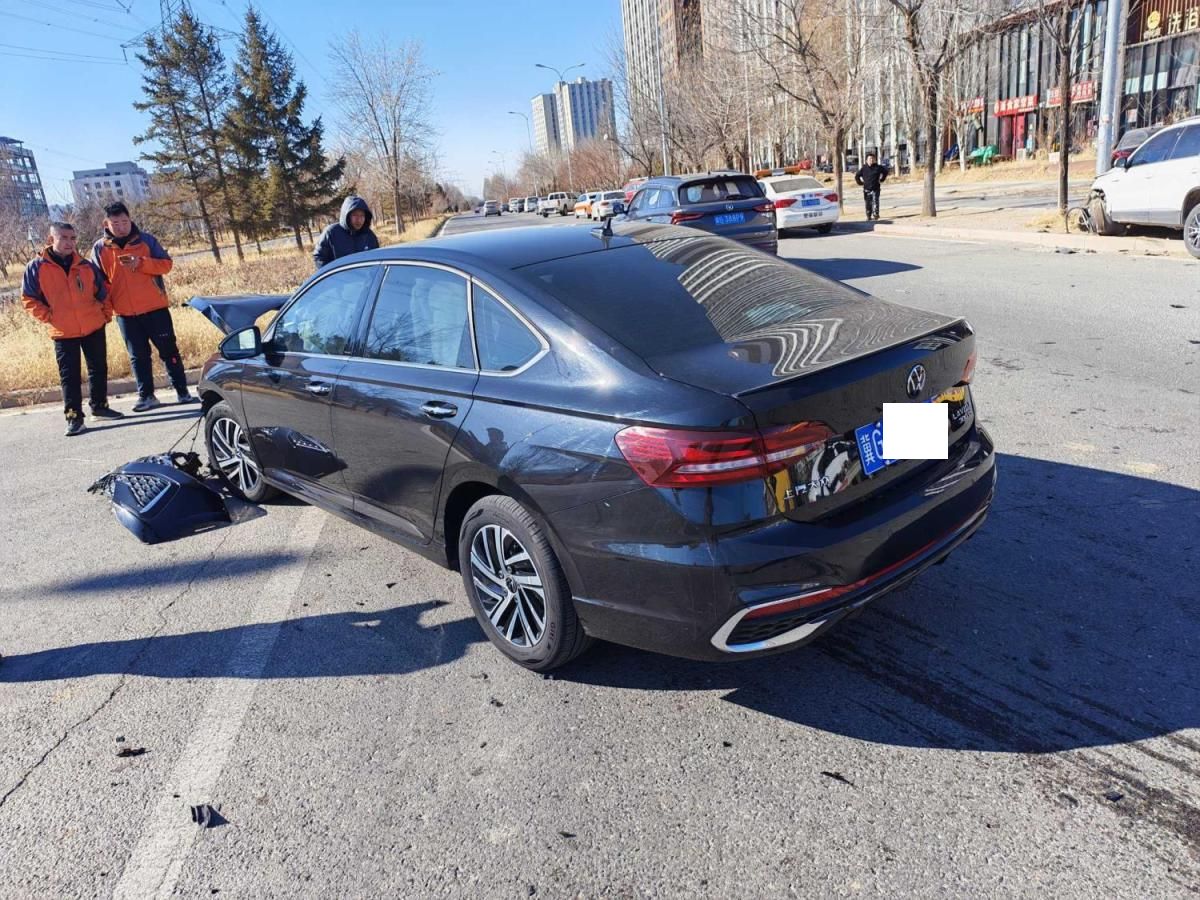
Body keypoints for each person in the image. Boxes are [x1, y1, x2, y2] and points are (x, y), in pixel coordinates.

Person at [90, 202, 196, 411]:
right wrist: (107, 308)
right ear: (106, 224)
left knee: (169, 351)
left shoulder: (146, 240)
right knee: (138, 357)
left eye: (125, 222)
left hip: (155, 308)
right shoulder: (100, 248)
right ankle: (146, 396)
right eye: (115, 223)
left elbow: (166, 265)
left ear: (130, 220)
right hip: (125, 313)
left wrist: (141, 263)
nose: (121, 227)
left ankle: (182, 391)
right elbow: (98, 282)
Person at [21, 222, 123, 436]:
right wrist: (49, 316)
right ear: (51, 240)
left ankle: (99, 407)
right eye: (64, 238)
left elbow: (102, 292)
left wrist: (105, 314)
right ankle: (74, 417)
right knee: (69, 376)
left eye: (73, 238)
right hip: (63, 331)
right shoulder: (36, 267)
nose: (69, 242)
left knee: (98, 368)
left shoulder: (85, 266)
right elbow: (29, 299)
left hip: (93, 325)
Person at [314, 195, 379, 269]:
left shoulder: (369, 235)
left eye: (362, 215)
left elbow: (376, 259)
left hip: (365, 276)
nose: (359, 219)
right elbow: (319, 257)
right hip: (340, 276)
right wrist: (333, 274)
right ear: (347, 215)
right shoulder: (331, 233)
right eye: (355, 215)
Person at [854, 153, 889, 221]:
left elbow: (885, 172)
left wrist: (882, 179)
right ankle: (868, 215)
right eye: (870, 159)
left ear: (875, 160)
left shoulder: (878, 167)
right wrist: (860, 183)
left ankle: (876, 215)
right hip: (866, 189)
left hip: (876, 188)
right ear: (866, 160)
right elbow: (857, 176)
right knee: (868, 203)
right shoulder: (864, 168)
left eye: (873, 159)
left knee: (875, 201)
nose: (871, 160)